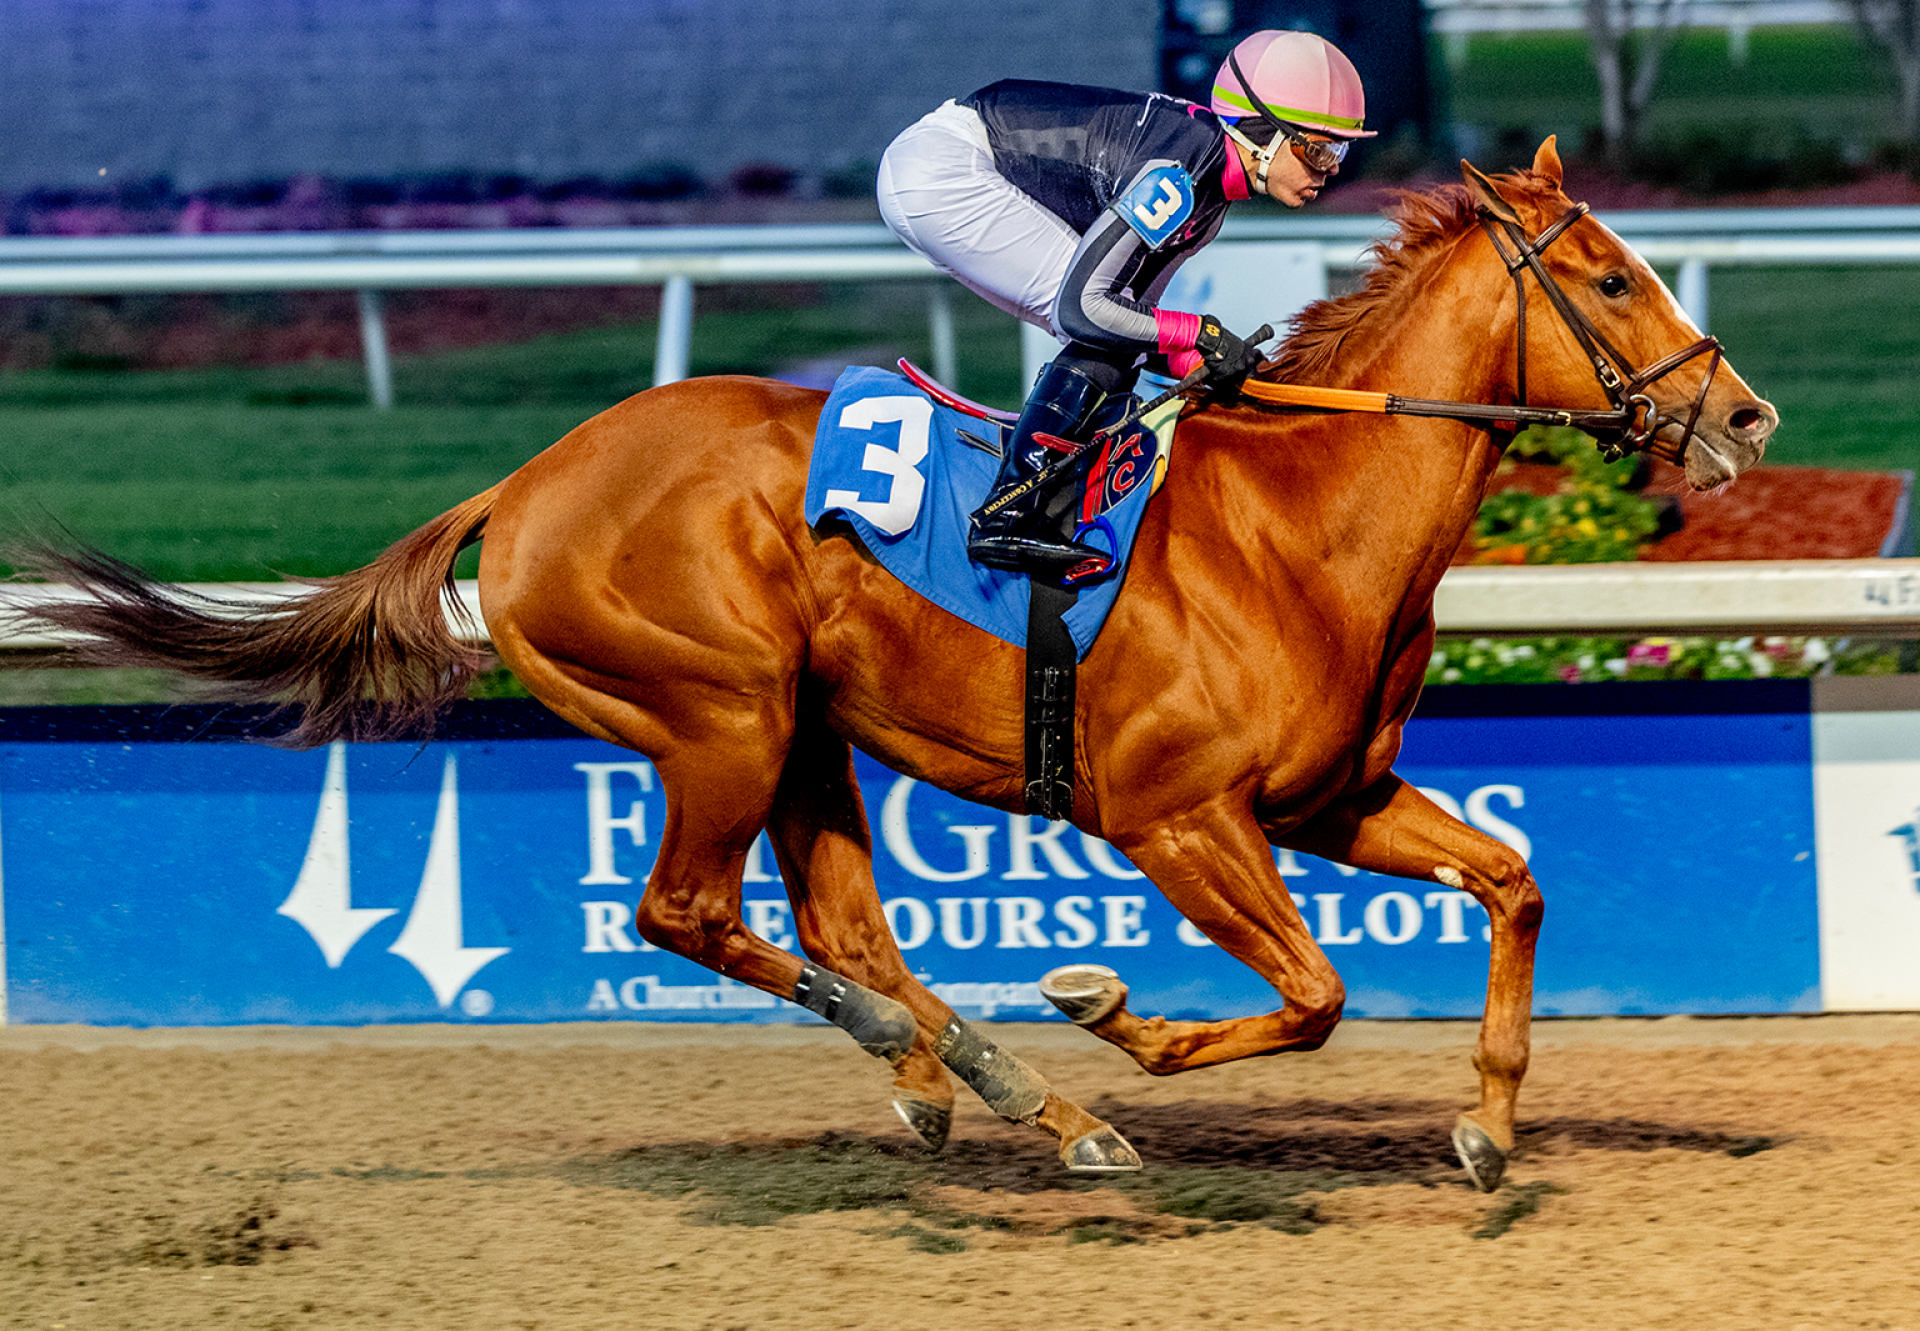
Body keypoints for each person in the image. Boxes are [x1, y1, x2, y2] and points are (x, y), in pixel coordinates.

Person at [876, 29, 1375, 578]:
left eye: (1341, 150)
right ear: (1261, 134)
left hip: (947, 161)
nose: (1331, 170)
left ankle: (1053, 495)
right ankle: (1009, 510)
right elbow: (1085, 310)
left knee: (1121, 331)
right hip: (945, 169)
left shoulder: (1209, 192)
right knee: (1098, 323)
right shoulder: (1181, 174)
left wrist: (1205, 362)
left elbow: (1140, 322)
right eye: (1319, 148)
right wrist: (1203, 334)